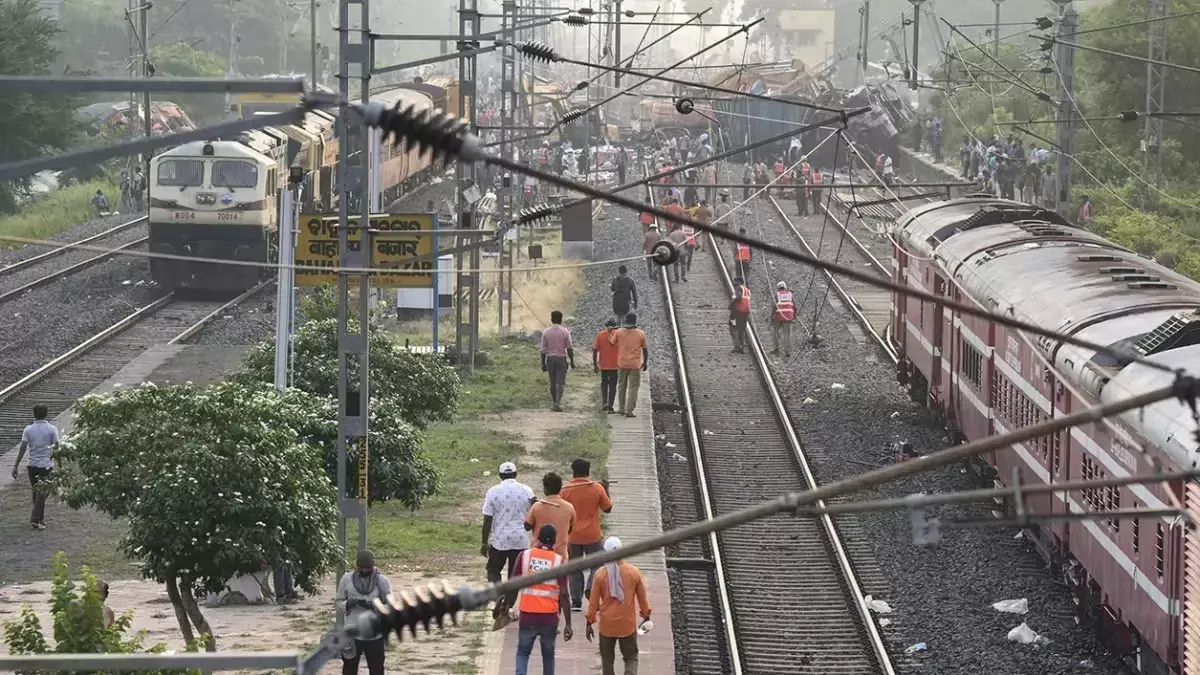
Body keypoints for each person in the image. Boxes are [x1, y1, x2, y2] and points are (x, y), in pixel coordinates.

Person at [511, 524, 574, 675]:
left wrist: (507, 605)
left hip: (527, 614)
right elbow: (564, 594)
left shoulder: (524, 556)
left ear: (538, 538)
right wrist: (568, 624)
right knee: (548, 655)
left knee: (523, 652)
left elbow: (512, 584)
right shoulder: (559, 562)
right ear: (554, 542)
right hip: (549, 618)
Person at [586, 537, 652, 675]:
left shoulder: (600, 574)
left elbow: (593, 602)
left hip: (606, 626)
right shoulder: (634, 572)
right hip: (627, 625)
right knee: (631, 657)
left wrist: (589, 622)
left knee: (607, 660)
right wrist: (646, 616)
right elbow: (642, 599)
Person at [482, 461, 536, 619]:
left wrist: (484, 542)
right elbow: (534, 514)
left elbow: (487, 519)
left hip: (500, 539)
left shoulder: (493, 492)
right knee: (515, 575)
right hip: (520, 539)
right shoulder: (527, 490)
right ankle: (508, 606)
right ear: (516, 474)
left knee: (493, 570)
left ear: (500, 476)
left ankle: (499, 596)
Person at [560, 459, 613, 611]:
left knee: (574, 568)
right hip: (593, 535)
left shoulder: (566, 490)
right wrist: (606, 488)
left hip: (573, 536)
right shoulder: (597, 488)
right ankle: (591, 587)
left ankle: (576, 601)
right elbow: (607, 508)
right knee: (597, 564)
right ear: (588, 472)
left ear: (573, 472)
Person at [336, 550, 392, 675]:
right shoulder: (347, 579)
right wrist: (348, 604)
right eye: (362, 568)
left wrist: (375, 606)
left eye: (368, 568)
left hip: (374, 634)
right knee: (349, 668)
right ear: (357, 565)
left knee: (377, 669)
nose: (365, 571)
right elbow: (338, 603)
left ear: (373, 565)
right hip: (352, 633)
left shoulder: (382, 581)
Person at [11, 404, 60, 530]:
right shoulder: (52, 429)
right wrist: (61, 464)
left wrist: (16, 465)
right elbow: (57, 447)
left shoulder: (28, 429)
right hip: (46, 465)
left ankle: (40, 520)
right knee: (42, 492)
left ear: (34, 414)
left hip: (32, 465)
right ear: (46, 413)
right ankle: (35, 519)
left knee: (37, 492)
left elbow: (23, 448)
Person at [525, 472, 577, 559]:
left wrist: (531, 507)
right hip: (560, 556)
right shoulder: (569, 507)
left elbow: (527, 526)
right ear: (560, 488)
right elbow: (570, 529)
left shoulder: (536, 506)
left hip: (538, 555)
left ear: (545, 489)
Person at [611, 313, 648, 417]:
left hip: (622, 363)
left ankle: (621, 409)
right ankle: (629, 410)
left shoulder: (619, 331)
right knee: (634, 387)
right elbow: (645, 349)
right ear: (635, 321)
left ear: (626, 320)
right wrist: (645, 362)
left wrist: (611, 332)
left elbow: (612, 343)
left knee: (621, 386)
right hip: (635, 364)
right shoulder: (641, 333)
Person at [540, 311, 575, 412]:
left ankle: (554, 401)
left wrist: (543, 363)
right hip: (561, 359)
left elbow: (543, 350)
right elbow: (569, 348)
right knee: (560, 382)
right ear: (561, 320)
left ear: (551, 319)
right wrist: (572, 361)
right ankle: (558, 402)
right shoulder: (565, 332)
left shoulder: (546, 332)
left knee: (552, 381)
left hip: (550, 359)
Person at [593, 319, 621, 413]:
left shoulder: (600, 335)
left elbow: (595, 350)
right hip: (615, 365)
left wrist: (595, 365)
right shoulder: (618, 335)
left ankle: (604, 402)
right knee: (613, 386)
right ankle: (610, 405)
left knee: (604, 384)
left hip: (603, 365)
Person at [770, 280, 795, 358]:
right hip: (788, 317)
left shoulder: (777, 294)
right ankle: (787, 352)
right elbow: (794, 307)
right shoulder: (790, 294)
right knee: (787, 335)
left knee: (775, 332)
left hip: (778, 316)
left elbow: (774, 307)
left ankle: (776, 348)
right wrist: (793, 316)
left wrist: (771, 317)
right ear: (785, 287)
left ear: (778, 288)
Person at [729, 276, 752, 354]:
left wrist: (730, 305)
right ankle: (741, 346)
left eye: (735, 282)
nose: (734, 284)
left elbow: (738, 297)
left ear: (739, 282)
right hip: (746, 311)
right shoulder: (747, 290)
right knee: (742, 329)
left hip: (738, 311)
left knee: (733, 327)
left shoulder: (739, 288)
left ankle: (737, 346)